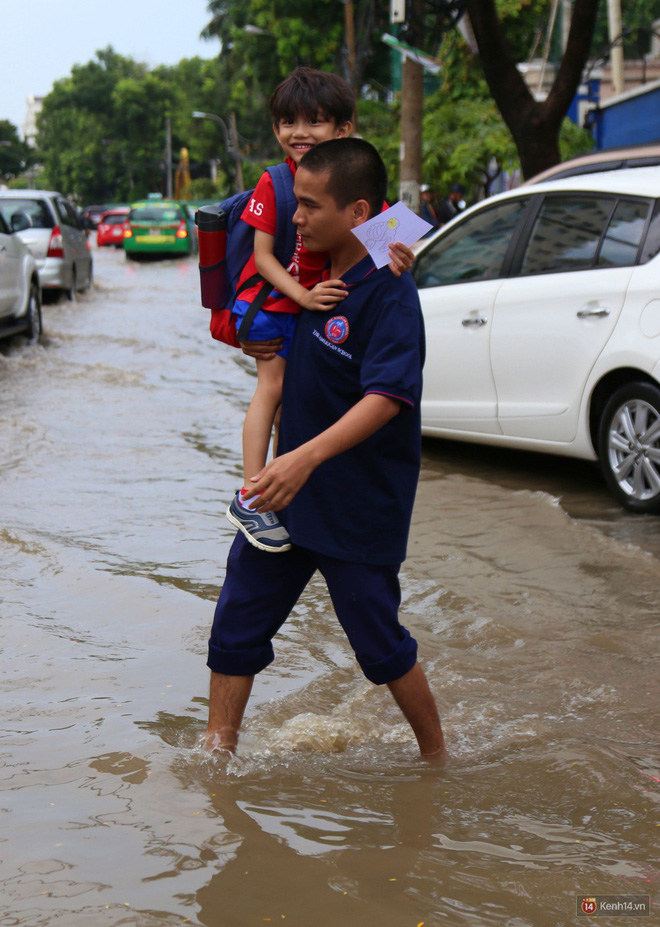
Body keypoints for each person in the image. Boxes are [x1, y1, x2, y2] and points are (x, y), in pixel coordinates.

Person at [205, 137, 447, 761]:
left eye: (311, 207)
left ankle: (438, 761)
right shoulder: (308, 276)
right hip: (285, 499)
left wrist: (304, 457)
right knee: (235, 624)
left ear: (358, 213)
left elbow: (388, 397)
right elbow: (252, 283)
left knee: (379, 644)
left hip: (356, 504)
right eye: (297, 204)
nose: (298, 218)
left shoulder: (390, 289)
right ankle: (215, 757)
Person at [226, 68, 414, 556]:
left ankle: (272, 487)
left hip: (306, 306)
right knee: (273, 390)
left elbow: (397, 244)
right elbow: (262, 257)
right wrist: (304, 298)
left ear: (343, 129)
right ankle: (253, 494)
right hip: (279, 301)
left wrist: (403, 256)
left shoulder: (356, 185)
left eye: (314, 121)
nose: (299, 133)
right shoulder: (275, 182)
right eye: (288, 123)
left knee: (289, 402)